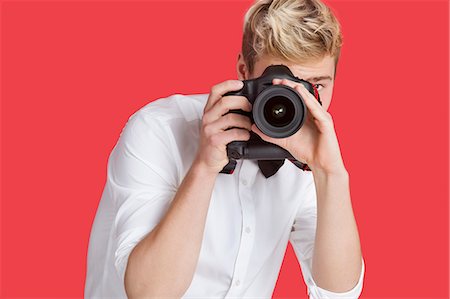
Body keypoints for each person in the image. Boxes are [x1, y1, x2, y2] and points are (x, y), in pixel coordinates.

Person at [85, 0, 365, 297]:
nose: (299, 103)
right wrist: (204, 168)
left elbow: (338, 293)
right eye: (284, 86)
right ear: (244, 71)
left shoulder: (309, 153)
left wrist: (331, 174)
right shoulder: (158, 129)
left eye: (316, 87)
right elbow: (147, 293)